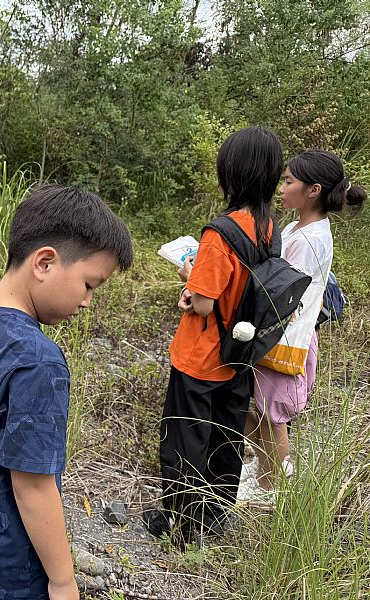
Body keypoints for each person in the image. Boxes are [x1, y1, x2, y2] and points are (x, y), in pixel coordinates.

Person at [0, 185, 134, 600]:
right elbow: (33, 486)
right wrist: (63, 580)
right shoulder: (37, 360)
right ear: (44, 262)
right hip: (3, 577)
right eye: (89, 284)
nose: (88, 301)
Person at [149, 127, 284, 547]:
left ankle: (180, 523)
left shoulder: (220, 233)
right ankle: (213, 517)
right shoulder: (270, 228)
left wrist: (189, 276)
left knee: (186, 437)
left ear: (232, 173)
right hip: (241, 354)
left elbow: (205, 304)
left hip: (201, 355)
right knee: (227, 436)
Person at [243, 150, 366, 494]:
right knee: (259, 409)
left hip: (286, 338)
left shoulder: (309, 240)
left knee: (272, 417)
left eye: (288, 181)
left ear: (313, 190)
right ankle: (266, 466)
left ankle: (270, 487)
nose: (281, 188)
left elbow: (283, 294)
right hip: (281, 334)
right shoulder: (301, 227)